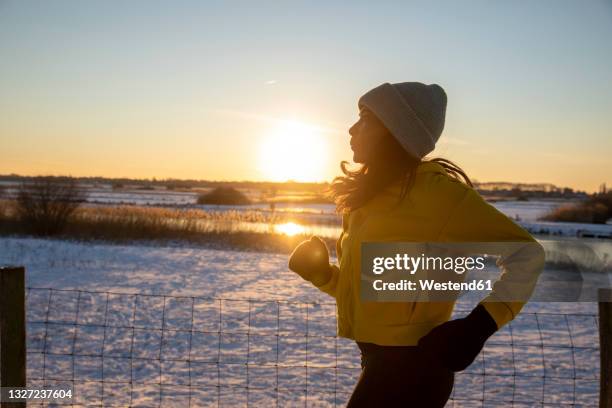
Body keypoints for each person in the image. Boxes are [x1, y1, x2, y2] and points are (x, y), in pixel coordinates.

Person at [288, 82, 545, 407]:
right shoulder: (369, 200)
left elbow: (528, 254)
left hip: (416, 369)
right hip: (378, 364)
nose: (351, 129)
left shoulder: (439, 196)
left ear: (394, 129)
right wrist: (323, 275)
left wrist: (480, 325)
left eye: (365, 118)